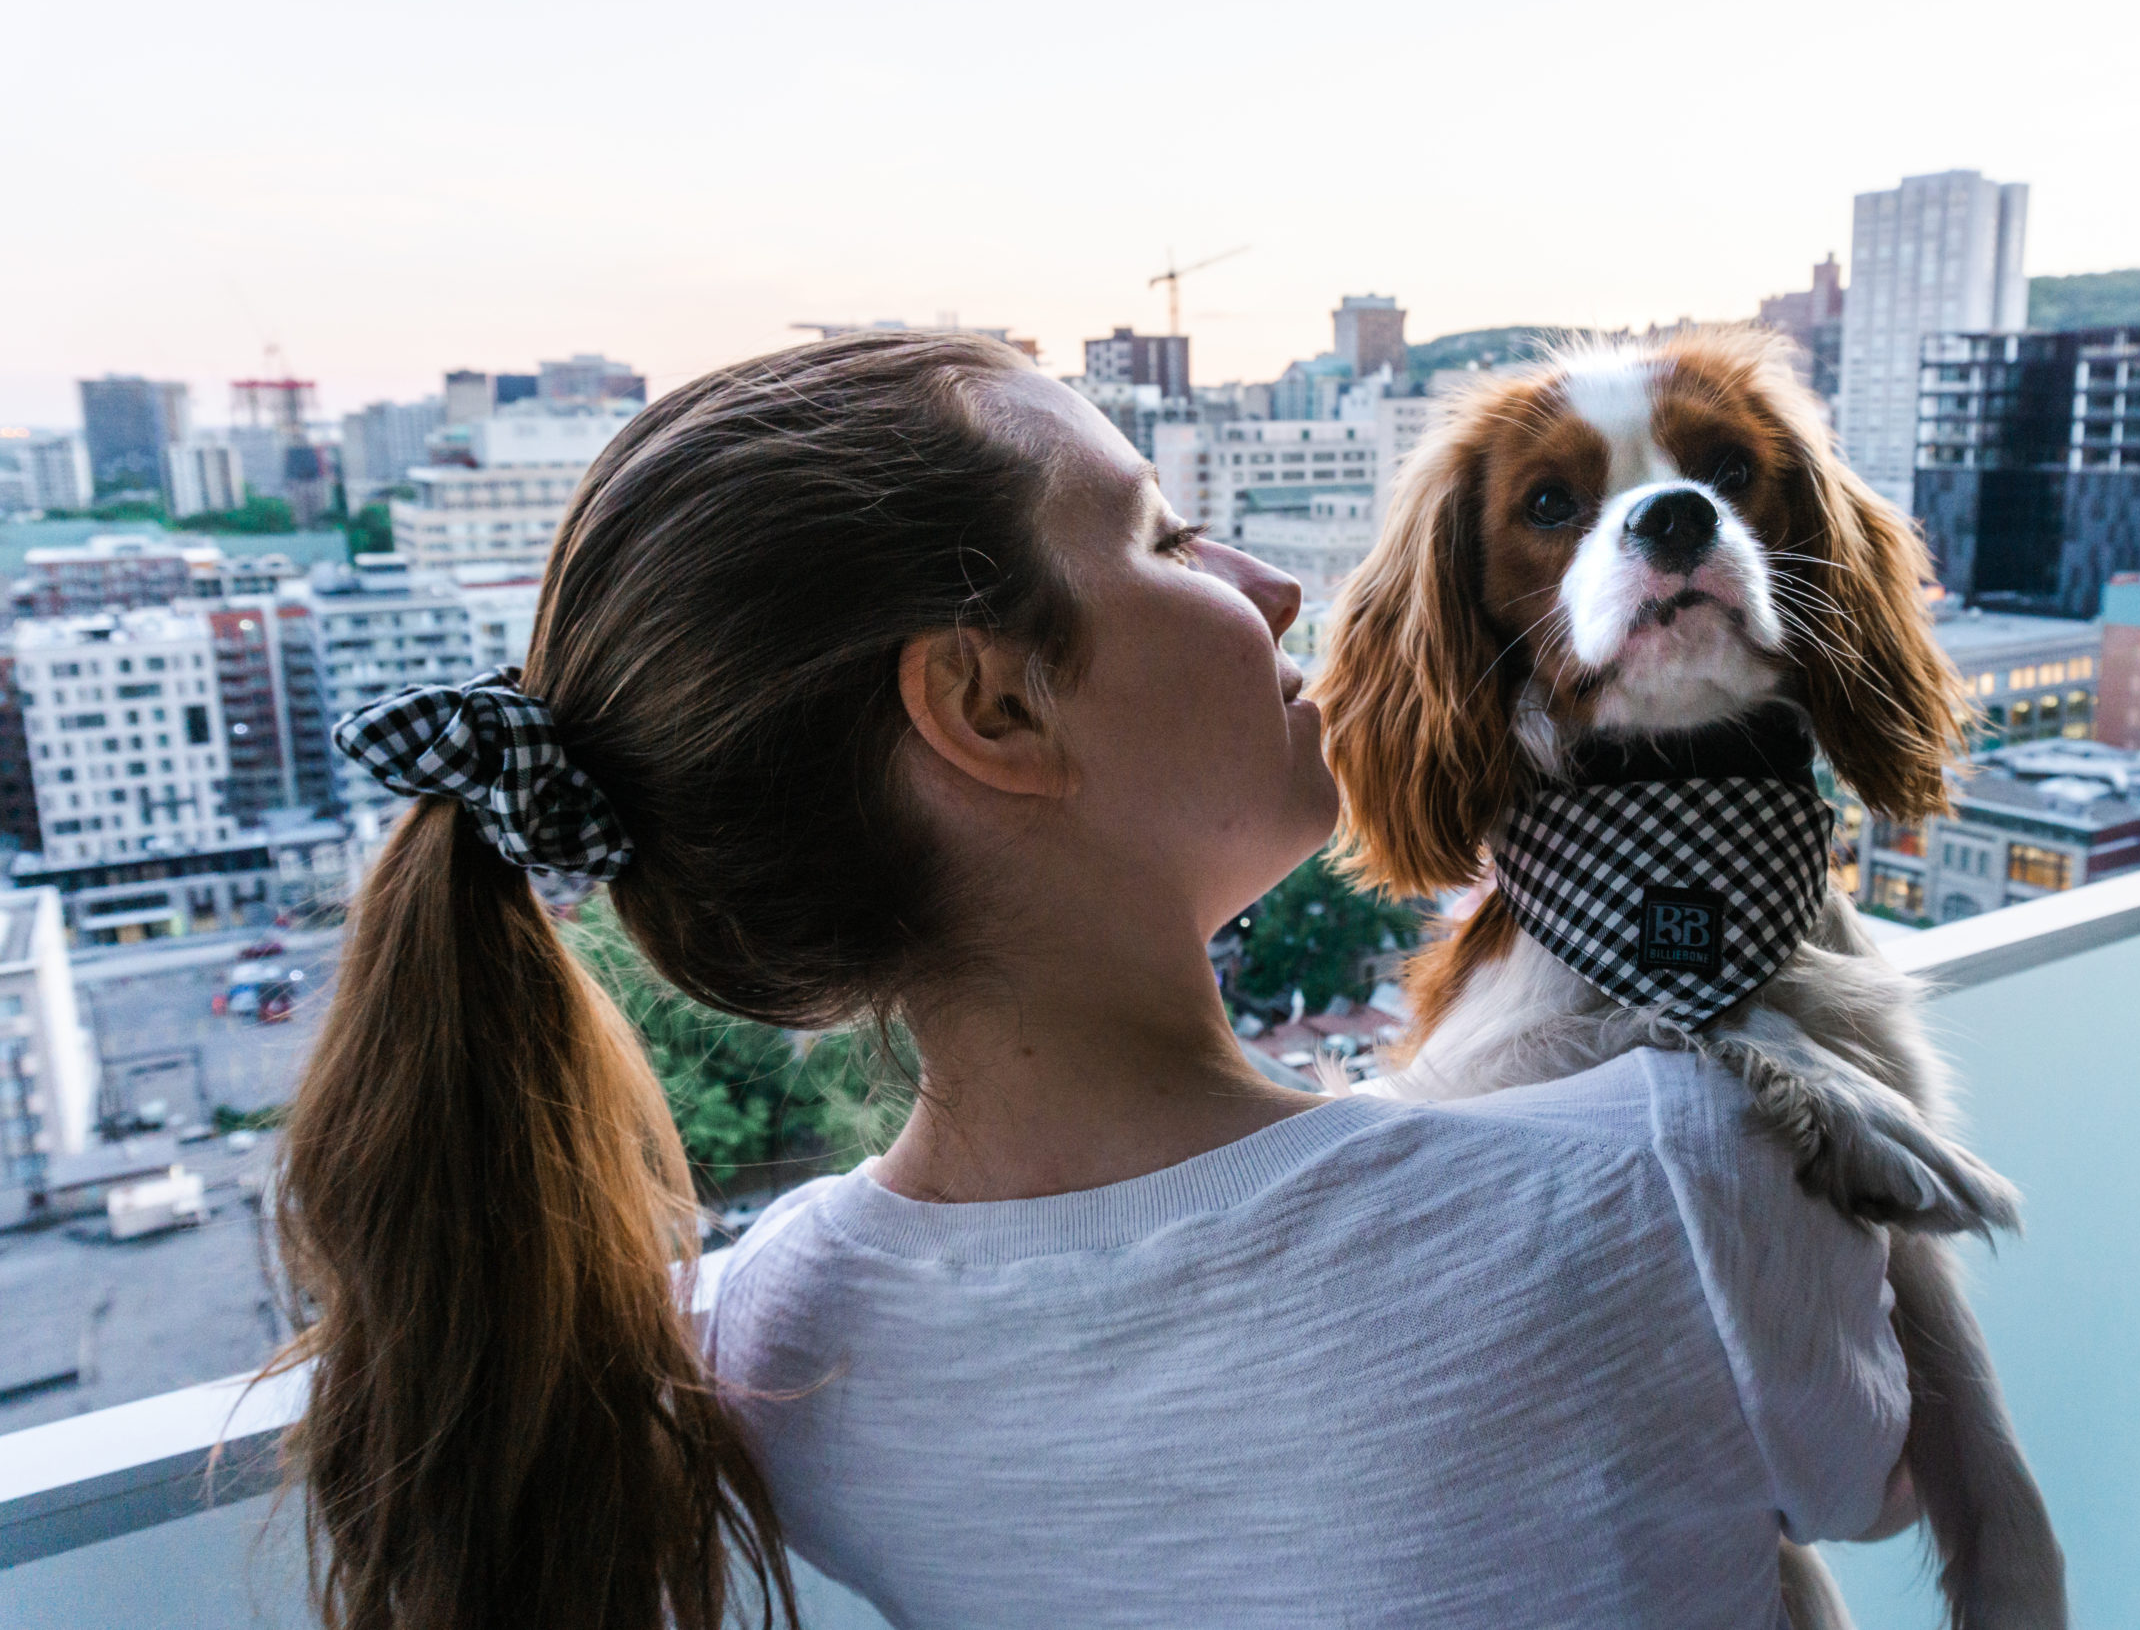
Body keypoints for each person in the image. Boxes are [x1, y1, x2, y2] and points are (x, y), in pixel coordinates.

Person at [275, 331, 1914, 1630]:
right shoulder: (1672, 1176)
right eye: (1170, 535)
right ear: (992, 712)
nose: (1276, 585)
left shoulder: (787, 1328)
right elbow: (1875, 1480)